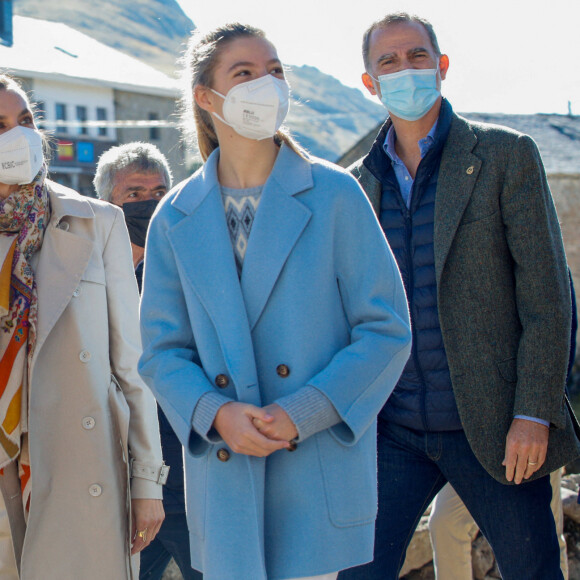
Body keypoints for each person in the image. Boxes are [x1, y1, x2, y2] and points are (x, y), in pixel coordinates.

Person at [138, 22, 412, 580]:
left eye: (275, 71)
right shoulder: (175, 215)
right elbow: (162, 351)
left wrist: (301, 413)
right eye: (244, 73)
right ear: (205, 97)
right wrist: (216, 414)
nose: (266, 84)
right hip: (226, 471)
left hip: (312, 468)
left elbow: (385, 330)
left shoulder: (335, 194)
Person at [338, 13, 580, 580]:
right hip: (392, 428)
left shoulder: (504, 156)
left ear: (441, 66)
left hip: (496, 428)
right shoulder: (353, 184)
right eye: (388, 62)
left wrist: (532, 413)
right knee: (357, 572)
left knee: (532, 570)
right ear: (370, 82)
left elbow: (548, 297)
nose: (405, 70)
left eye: (417, 56)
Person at [0, 73, 166, 579]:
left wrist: (146, 484)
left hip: (80, 463)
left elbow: (131, 366)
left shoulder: (99, 222)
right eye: (0, 124)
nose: (18, 134)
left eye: (25, 120)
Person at [94, 142, 200, 580]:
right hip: (120, 475)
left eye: (158, 191)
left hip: (187, 476)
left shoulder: (189, 267)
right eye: (133, 194)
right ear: (106, 204)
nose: (149, 203)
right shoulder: (88, 273)